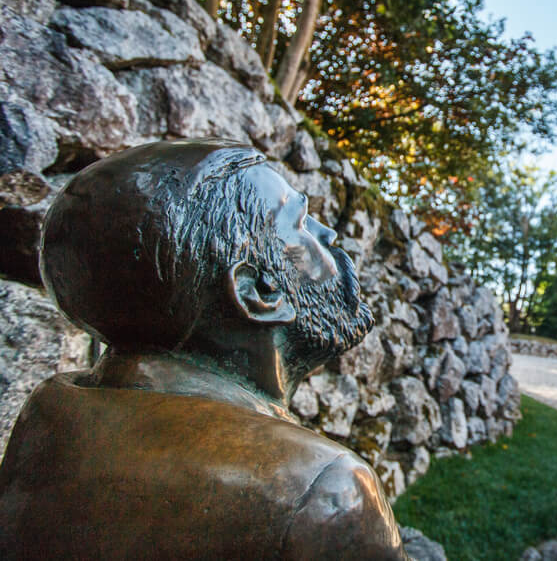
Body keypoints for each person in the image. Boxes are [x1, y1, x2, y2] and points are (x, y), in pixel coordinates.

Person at [0, 139, 408, 559]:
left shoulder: (50, 409)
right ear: (259, 292)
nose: (328, 233)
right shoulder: (326, 491)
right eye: (301, 223)